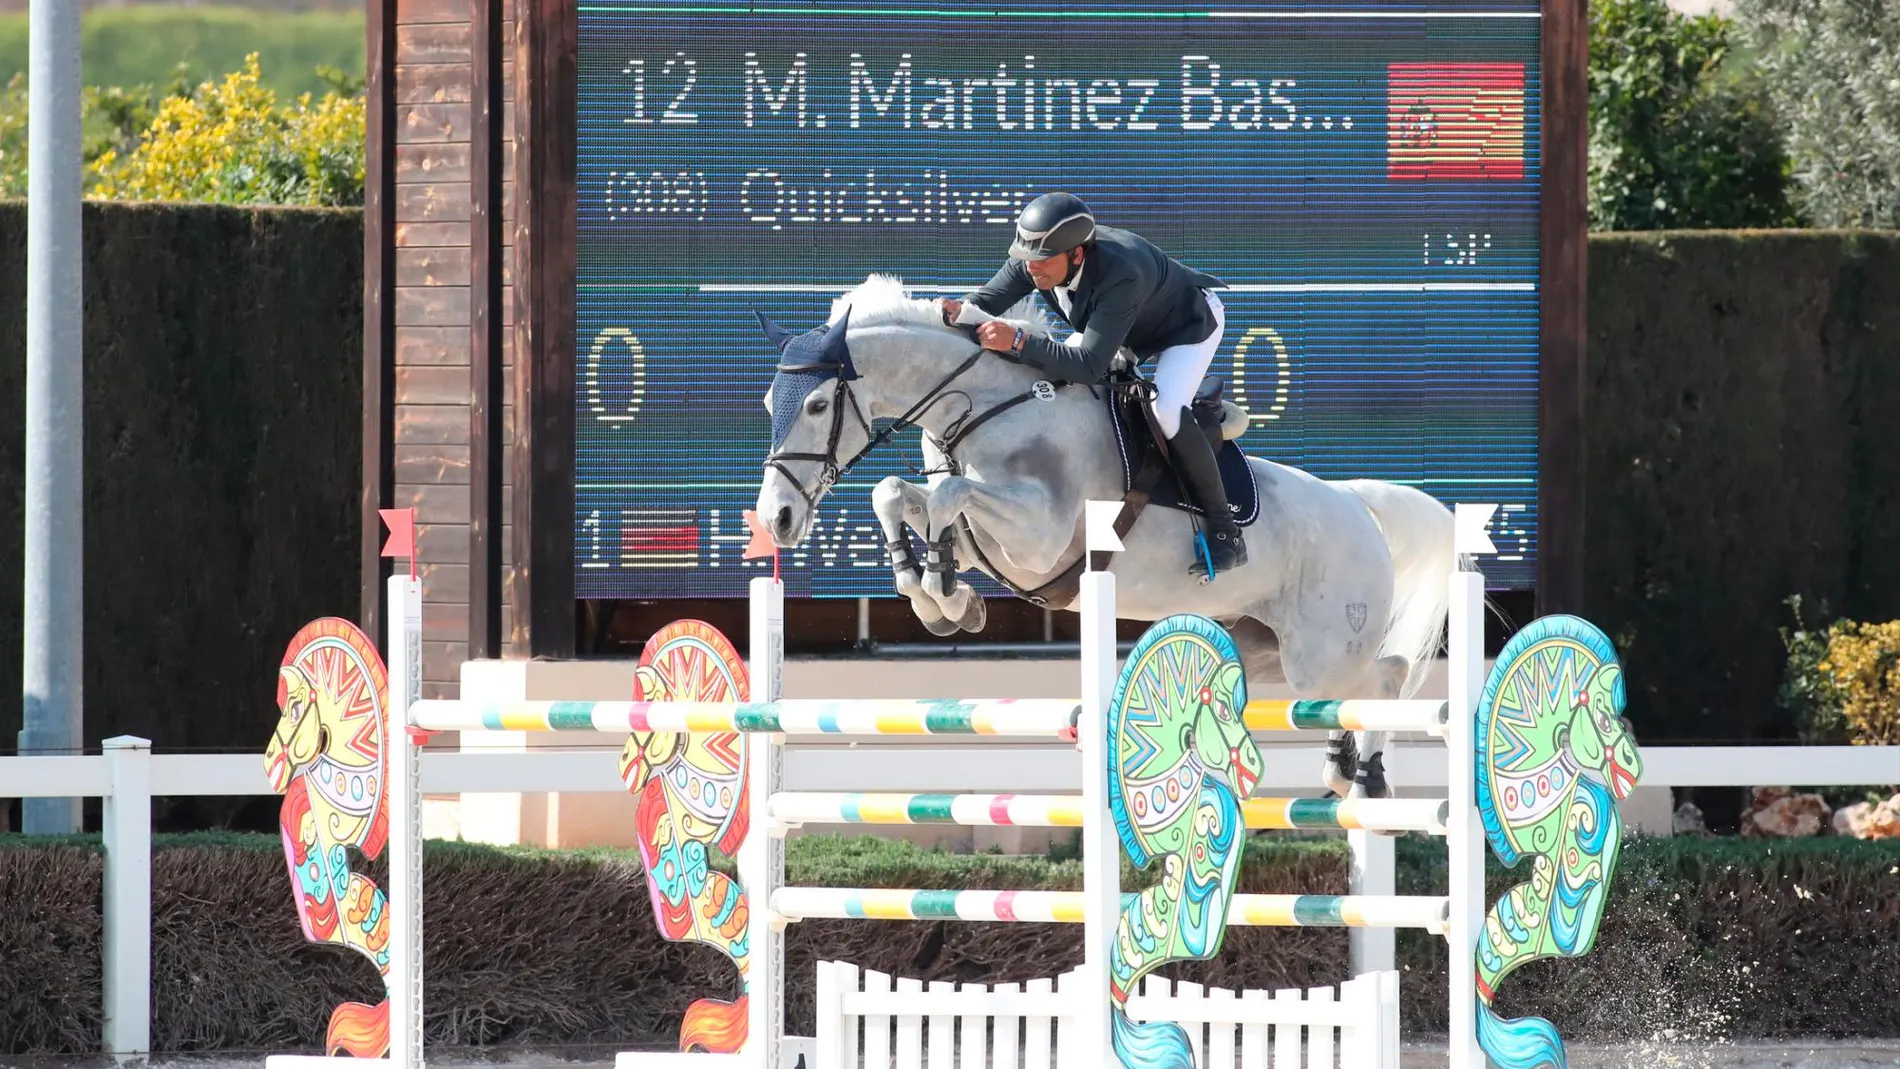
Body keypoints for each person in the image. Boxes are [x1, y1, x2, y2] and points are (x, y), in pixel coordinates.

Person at [938, 191, 1246, 575]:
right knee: (1052, 387)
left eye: (1043, 261)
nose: (1032, 269)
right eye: (1026, 259)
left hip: (1185, 326)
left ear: (1078, 254)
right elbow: (985, 302)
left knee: (1164, 409)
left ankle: (1226, 531)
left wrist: (1017, 341)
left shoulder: (1121, 272)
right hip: (1118, 325)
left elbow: (1087, 365)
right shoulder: (1038, 257)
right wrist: (956, 312)